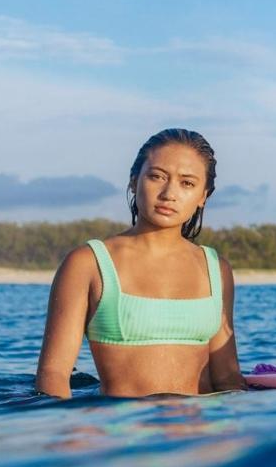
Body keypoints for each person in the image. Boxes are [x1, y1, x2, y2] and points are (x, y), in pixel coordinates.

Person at [36, 129, 245, 398]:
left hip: (203, 431)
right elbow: (53, 374)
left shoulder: (216, 268)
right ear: (134, 181)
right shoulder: (89, 262)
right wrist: (70, 435)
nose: (169, 193)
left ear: (203, 196)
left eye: (187, 183)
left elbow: (227, 376)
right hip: (125, 434)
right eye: (156, 176)